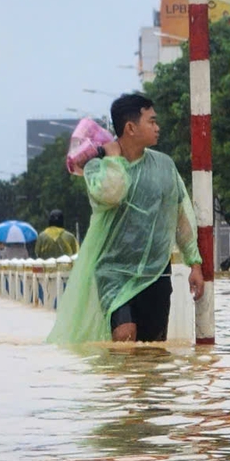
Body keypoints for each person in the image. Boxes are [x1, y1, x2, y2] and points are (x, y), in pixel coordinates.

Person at [46, 92, 202, 344]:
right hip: (113, 273)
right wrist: (114, 158)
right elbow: (111, 194)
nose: (157, 127)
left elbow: (180, 215)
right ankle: (119, 383)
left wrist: (194, 263)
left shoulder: (165, 166)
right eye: (151, 121)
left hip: (156, 273)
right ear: (130, 127)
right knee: (125, 336)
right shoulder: (98, 167)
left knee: (153, 351)